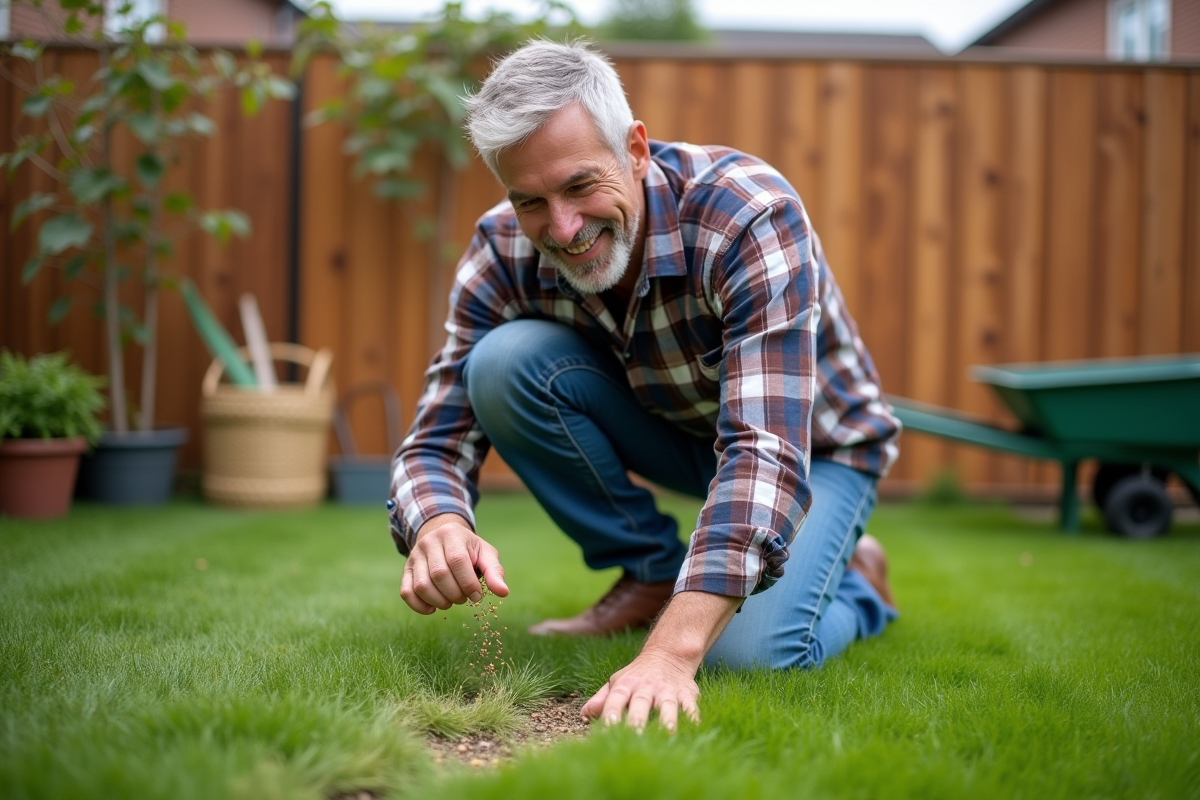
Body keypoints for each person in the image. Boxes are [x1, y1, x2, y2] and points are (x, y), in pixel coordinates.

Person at [387, 39, 901, 733]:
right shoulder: (501, 248)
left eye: (579, 186)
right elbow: (436, 435)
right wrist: (438, 521)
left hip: (815, 448)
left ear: (635, 148)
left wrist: (670, 652)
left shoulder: (746, 213)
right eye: (530, 200)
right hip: (678, 431)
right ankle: (653, 569)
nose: (563, 229)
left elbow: (764, 451)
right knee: (502, 363)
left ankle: (860, 585)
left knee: (748, 659)